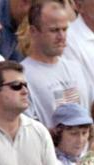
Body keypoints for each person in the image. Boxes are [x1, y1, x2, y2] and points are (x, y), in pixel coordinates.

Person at [23, 0, 88, 129]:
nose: (61, 36)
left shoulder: (75, 68)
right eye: (54, 30)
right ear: (33, 31)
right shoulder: (23, 75)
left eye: (64, 29)